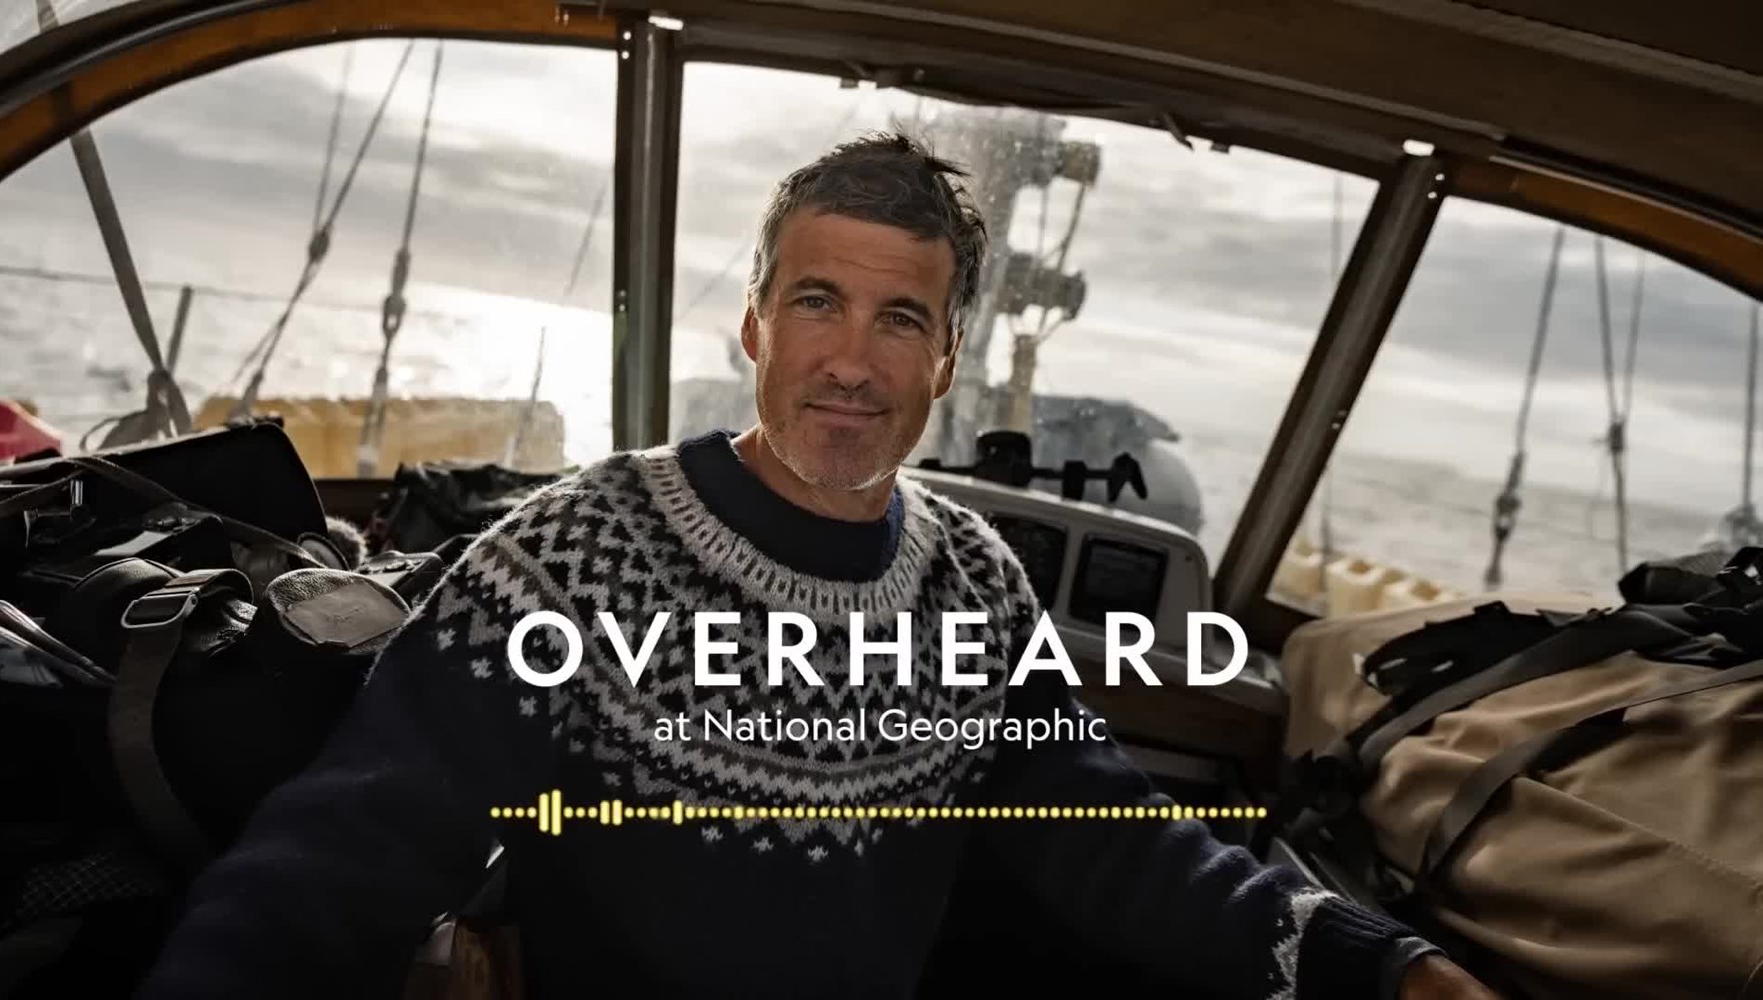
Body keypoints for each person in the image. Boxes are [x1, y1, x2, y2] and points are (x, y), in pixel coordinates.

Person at [137, 132, 1495, 999]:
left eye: (900, 318)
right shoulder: (573, 555)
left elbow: (1107, 835)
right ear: (753, 325)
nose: (852, 360)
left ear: (946, 361)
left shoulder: (975, 587)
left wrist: (1378, 967)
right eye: (816, 302)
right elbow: (339, 859)